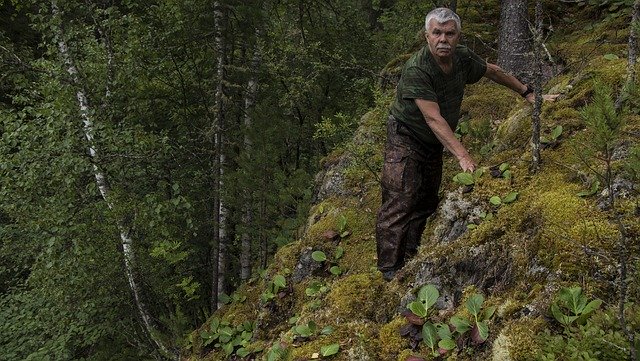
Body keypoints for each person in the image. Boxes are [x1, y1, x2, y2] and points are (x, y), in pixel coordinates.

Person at [376, 7, 555, 281]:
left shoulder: (461, 58)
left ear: (458, 36)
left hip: (433, 141)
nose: (443, 39)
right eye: (437, 33)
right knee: (400, 201)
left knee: (426, 200)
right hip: (406, 136)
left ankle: (409, 256)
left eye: (449, 33)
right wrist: (463, 156)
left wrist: (527, 93)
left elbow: (492, 71)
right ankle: (389, 270)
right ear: (427, 36)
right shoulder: (417, 69)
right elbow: (433, 119)